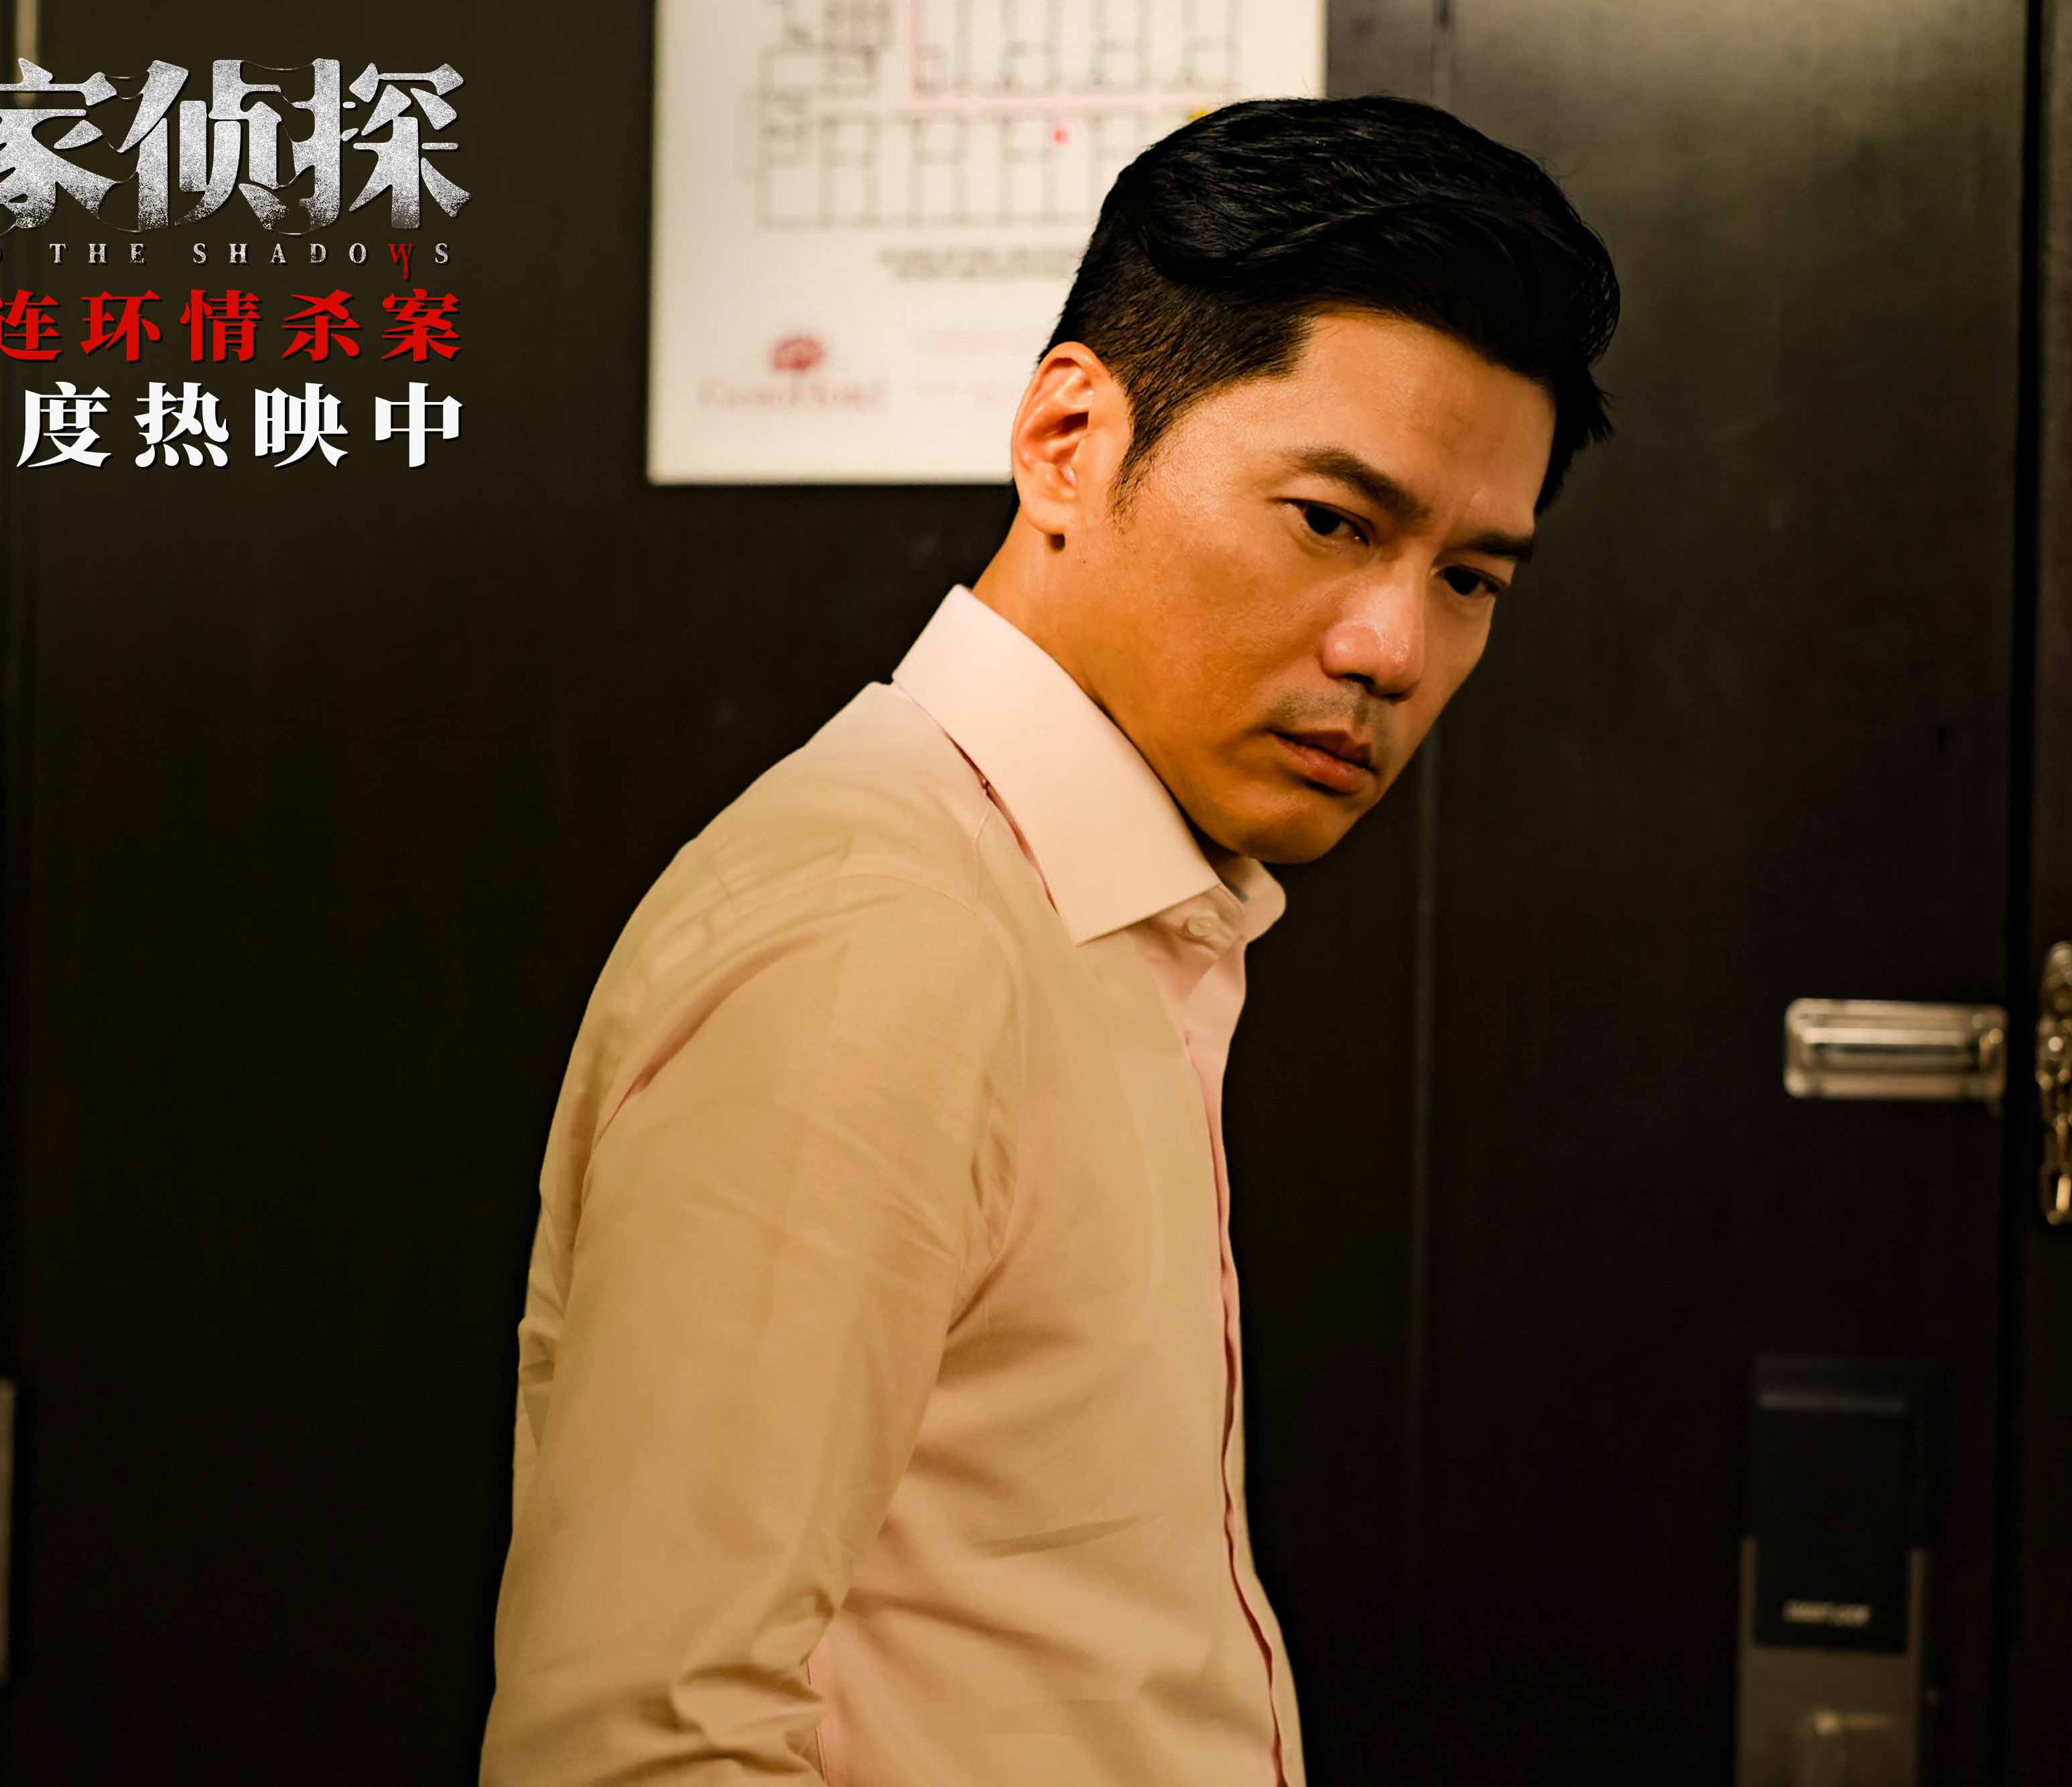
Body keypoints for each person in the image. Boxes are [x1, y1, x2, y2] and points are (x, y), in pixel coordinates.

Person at [479, 94, 1619, 1787]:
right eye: (1330, 520)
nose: (1393, 646)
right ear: (1067, 438)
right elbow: (632, 1739)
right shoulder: (883, 932)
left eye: (1471, 580)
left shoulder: (1091, 903)